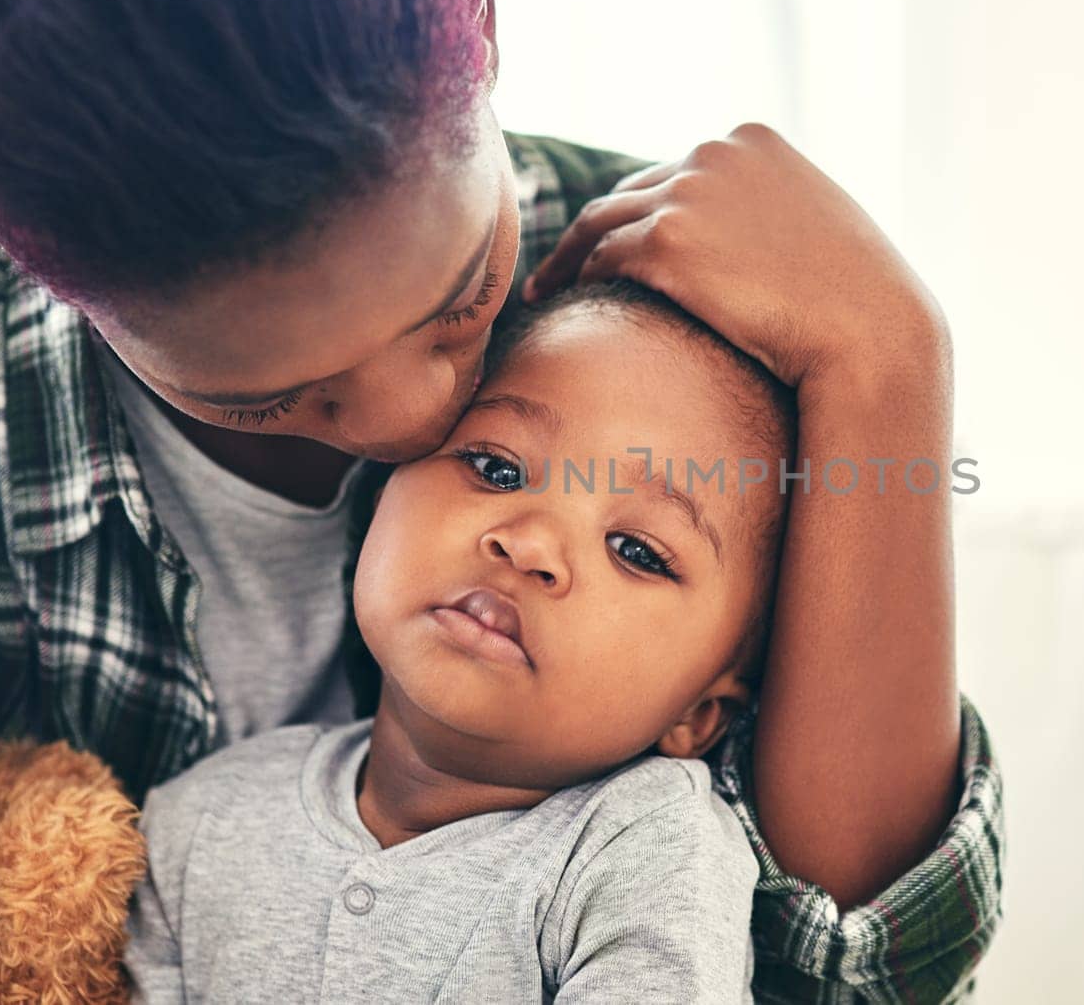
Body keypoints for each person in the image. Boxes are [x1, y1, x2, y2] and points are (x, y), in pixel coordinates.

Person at [0, 0, 1002, 1001]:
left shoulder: (691, 323)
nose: (420, 420)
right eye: (271, 394)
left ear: (481, 24)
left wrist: (888, 356)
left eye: (462, 300)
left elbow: (852, 978)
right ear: (38, 270)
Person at [125, 282, 791, 1002]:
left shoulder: (647, 849)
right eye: (498, 468)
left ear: (698, 714)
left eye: (635, 549)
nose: (529, 541)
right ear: (380, 496)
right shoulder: (199, 821)